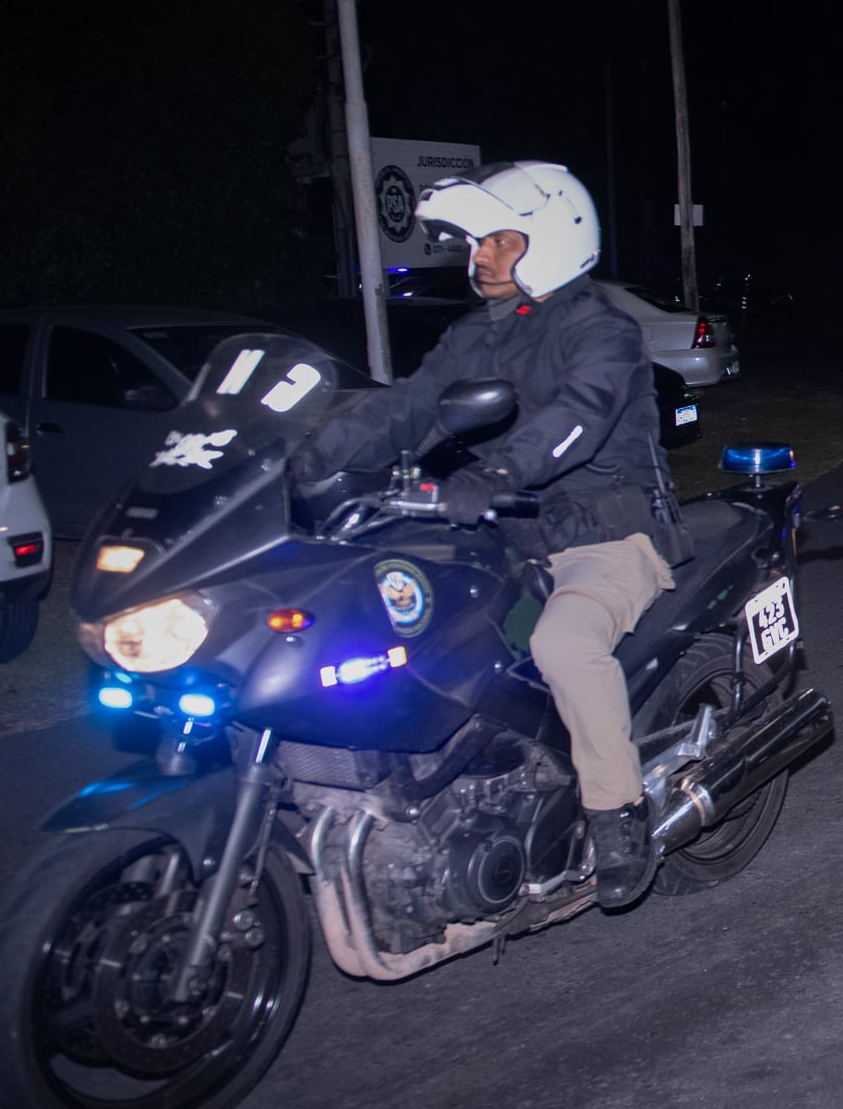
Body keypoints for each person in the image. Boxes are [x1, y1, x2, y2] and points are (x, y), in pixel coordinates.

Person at [292, 160, 690, 908]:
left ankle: (618, 811)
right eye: (477, 243)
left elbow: (578, 416)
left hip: (605, 535)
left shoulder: (602, 330)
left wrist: (499, 471)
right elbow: (406, 407)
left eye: (501, 240)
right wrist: (309, 457)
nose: (481, 256)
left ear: (553, 239)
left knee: (563, 645)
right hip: (505, 537)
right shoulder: (473, 334)